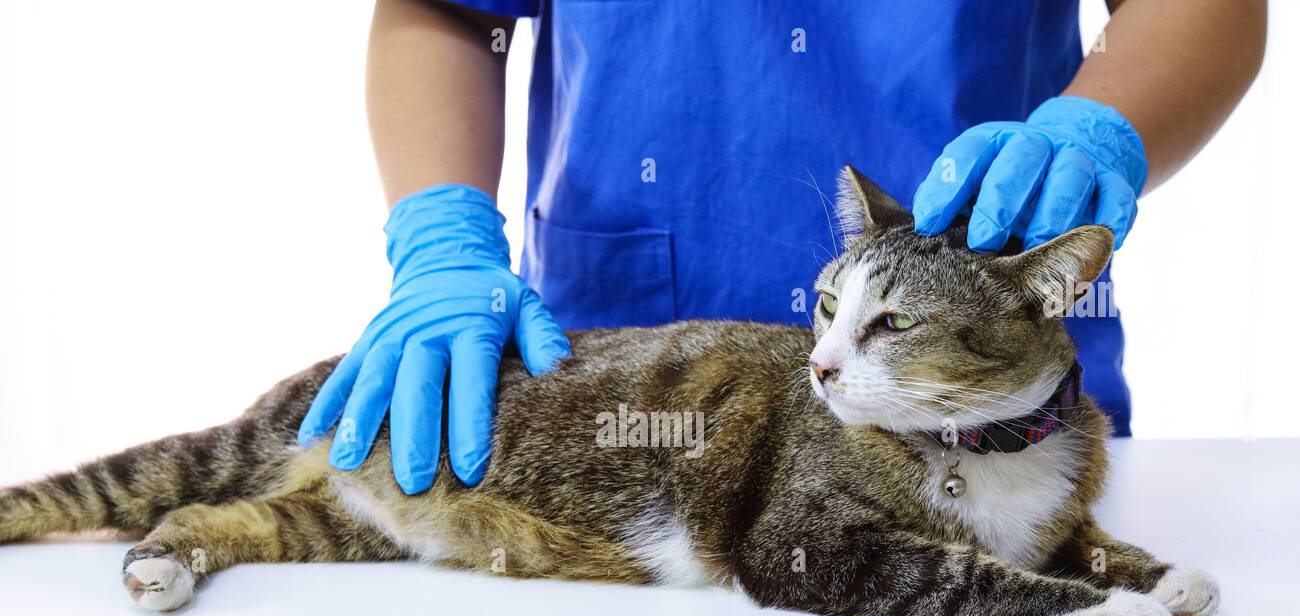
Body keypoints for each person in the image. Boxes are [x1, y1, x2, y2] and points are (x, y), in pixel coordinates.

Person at [298, 0, 1266, 493]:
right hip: (636, 384)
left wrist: (1096, 129)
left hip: (981, 406)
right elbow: (449, 11)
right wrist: (441, 238)